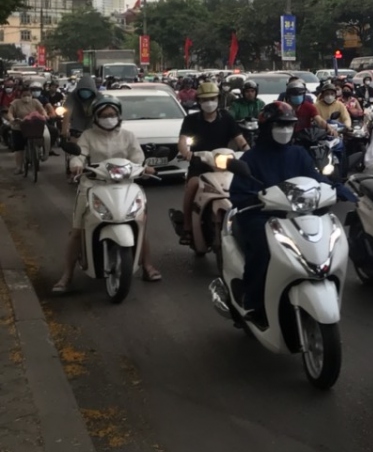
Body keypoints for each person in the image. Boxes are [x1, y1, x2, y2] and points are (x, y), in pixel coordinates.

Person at [229, 103, 356, 324]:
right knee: (262, 247)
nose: (285, 130)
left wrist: (336, 188)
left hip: (298, 213)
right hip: (261, 215)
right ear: (267, 127)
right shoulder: (251, 159)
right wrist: (253, 198)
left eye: (289, 125)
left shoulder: (298, 154)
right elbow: (238, 192)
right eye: (280, 125)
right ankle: (253, 302)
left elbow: (315, 178)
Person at [53, 96, 158, 293]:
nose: (108, 118)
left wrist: (144, 168)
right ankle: (67, 275)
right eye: (104, 115)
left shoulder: (128, 136)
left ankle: (148, 266)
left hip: (125, 186)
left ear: (118, 116)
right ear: (96, 117)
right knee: (77, 232)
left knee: (139, 224)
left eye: (112, 114)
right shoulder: (88, 136)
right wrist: (76, 165)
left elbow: (137, 157)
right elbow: (80, 154)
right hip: (93, 185)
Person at [176, 81, 247, 252]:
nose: (209, 103)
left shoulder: (227, 119)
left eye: (212, 98)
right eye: (205, 99)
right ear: (199, 102)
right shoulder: (191, 120)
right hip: (200, 163)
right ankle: (187, 227)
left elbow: (240, 140)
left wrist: (248, 153)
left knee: (242, 185)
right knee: (192, 185)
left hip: (224, 163)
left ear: (218, 99)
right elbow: (183, 141)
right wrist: (187, 153)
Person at [7, 84, 46, 173]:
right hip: (19, 127)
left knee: (45, 136)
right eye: (24, 95)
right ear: (20, 96)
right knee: (19, 148)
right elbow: (10, 113)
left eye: (28, 95)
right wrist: (13, 119)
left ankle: (39, 154)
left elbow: (42, 110)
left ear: (31, 95)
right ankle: (19, 168)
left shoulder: (35, 102)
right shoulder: (15, 103)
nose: (26, 97)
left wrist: (45, 115)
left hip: (33, 127)